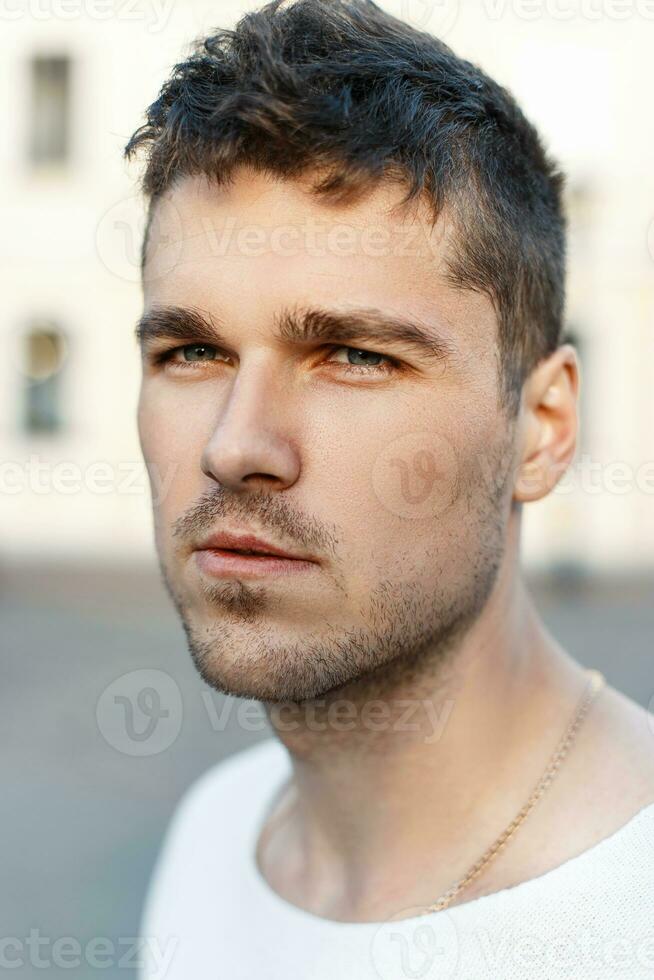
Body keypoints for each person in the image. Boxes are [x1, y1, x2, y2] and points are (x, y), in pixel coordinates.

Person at [125, 1, 654, 976]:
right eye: (191, 349)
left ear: (542, 428)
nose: (237, 444)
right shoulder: (215, 834)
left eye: (354, 356)